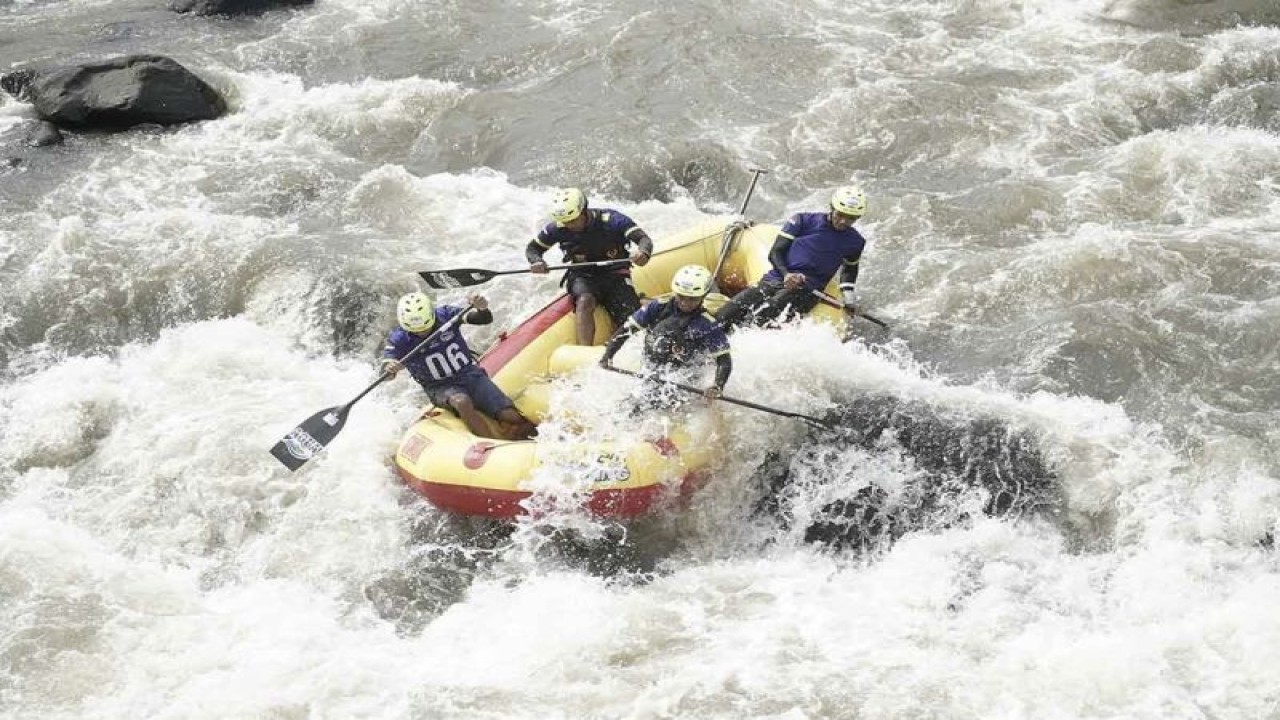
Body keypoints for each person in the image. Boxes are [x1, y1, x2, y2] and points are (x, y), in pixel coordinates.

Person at [381, 292, 535, 441]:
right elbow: (386, 371)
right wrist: (390, 368)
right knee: (462, 402)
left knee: (511, 417)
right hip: (439, 387)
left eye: (425, 327)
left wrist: (482, 308)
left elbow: (484, 319)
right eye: (417, 331)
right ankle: (493, 444)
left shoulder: (446, 314)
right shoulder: (399, 339)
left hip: (470, 375)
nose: (423, 332)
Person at [715, 185, 868, 330]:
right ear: (832, 208)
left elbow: (849, 270)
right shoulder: (802, 221)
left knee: (757, 321)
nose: (843, 221)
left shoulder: (856, 242)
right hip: (774, 280)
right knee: (723, 317)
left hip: (806, 291)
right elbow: (775, 252)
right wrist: (787, 274)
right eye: (840, 215)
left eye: (851, 218)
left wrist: (849, 299)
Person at [526, 187, 654, 346]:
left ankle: (637, 310)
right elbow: (533, 248)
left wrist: (643, 252)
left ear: (584, 211)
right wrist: (536, 261)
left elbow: (643, 239)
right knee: (585, 301)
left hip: (615, 273)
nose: (569, 225)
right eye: (565, 222)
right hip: (583, 275)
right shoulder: (557, 228)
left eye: (573, 220)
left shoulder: (613, 220)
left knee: (627, 313)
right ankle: (584, 348)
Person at [599, 264, 732, 409]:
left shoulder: (707, 324)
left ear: (703, 296)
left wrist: (717, 386)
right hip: (652, 366)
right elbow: (626, 330)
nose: (685, 303)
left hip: (685, 375)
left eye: (692, 299)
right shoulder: (657, 306)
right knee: (632, 406)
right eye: (681, 297)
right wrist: (608, 355)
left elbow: (724, 359)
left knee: (657, 404)